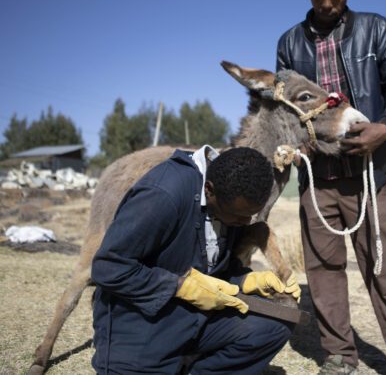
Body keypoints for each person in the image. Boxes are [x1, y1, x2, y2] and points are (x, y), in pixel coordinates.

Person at [276, 0, 386, 375]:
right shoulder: (289, 42)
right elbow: (284, 105)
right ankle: (340, 355)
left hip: (369, 175)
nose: (327, 4)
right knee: (323, 272)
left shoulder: (376, 29)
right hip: (316, 177)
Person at [91, 146, 300, 375]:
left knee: (274, 325)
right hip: (140, 326)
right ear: (209, 190)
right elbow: (108, 267)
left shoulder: (228, 198)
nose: (245, 221)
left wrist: (245, 280)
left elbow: (211, 267)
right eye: (239, 215)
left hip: (193, 318)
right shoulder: (163, 194)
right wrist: (180, 286)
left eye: (251, 215)